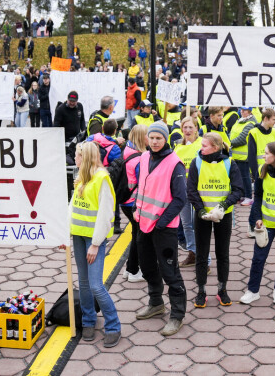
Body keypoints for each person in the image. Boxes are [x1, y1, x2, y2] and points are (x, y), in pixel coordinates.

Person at [133, 121, 187, 337]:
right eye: (152, 137)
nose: (154, 142)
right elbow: (143, 187)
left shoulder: (176, 164)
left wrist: (162, 222)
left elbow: (180, 198)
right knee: (146, 266)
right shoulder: (145, 156)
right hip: (143, 224)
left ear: (165, 139)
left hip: (164, 228)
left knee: (170, 271)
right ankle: (156, 303)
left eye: (159, 138)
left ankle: (177, 315)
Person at [67, 142, 121, 347]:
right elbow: (72, 206)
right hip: (79, 236)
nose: (75, 159)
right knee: (83, 283)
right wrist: (65, 233)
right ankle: (88, 320)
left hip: (93, 240)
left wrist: (96, 244)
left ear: (86, 157)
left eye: (77, 156)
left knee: (96, 285)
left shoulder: (102, 178)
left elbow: (105, 214)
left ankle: (114, 325)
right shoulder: (82, 176)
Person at [188, 133, 243, 308]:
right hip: (202, 215)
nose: (201, 148)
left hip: (223, 214)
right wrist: (201, 209)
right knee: (202, 254)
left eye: (205, 145)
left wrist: (223, 206)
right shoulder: (197, 163)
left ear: (216, 147)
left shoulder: (229, 163)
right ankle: (201, 291)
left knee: (223, 253)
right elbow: (191, 190)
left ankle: (222, 290)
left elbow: (238, 189)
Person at [241, 141, 275, 305]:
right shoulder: (262, 170)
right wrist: (257, 218)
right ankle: (253, 290)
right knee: (258, 257)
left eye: (267, 153)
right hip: (266, 223)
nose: (264, 156)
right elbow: (258, 197)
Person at [173, 117, 203, 267]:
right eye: (185, 127)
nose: (188, 130)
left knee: (197, 224)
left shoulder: (201, 144)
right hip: (181, 189)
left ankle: (204, 257)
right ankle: (192, 252)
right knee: (186, 224)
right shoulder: (178, 146)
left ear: (197, 128)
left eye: (191, 127)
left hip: (197, 190)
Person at [121, 124, 148, 282]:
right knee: (139, 237)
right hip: (134, 202)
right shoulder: (140, 158)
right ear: (141, 137)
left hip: (125, 200)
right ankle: (133, 271)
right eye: (148, 135)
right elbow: (143, 182)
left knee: (135, 234)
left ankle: (129, 268)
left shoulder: (127, 150)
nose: (150, 138)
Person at [246, 108, 275, 233]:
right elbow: (251, 155)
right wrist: (256, 174)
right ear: (265, 119)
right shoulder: (253, 132)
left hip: (273, 172)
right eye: (273, 120)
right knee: (258, 200)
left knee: (267, 198)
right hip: (260, 171)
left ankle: (263, 223)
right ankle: (251, 225)